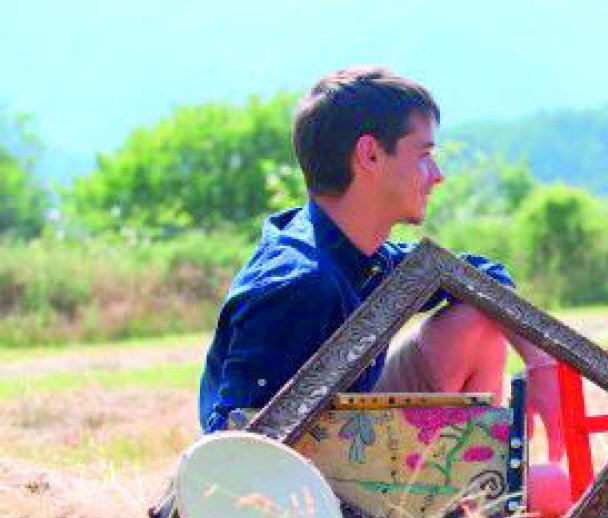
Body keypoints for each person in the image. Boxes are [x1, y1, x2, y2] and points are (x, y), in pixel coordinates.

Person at [198, 66, 562, 448]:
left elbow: (479, 275)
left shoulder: (365, 256)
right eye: (423, 155)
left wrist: (540, 361)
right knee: (549, 492)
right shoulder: (299, 285)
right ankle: (479, 496)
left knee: (478, 314)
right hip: (313, 485)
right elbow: (237, 444)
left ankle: (478, 486)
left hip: (352, 440)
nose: (437, 175)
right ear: (370, 154)